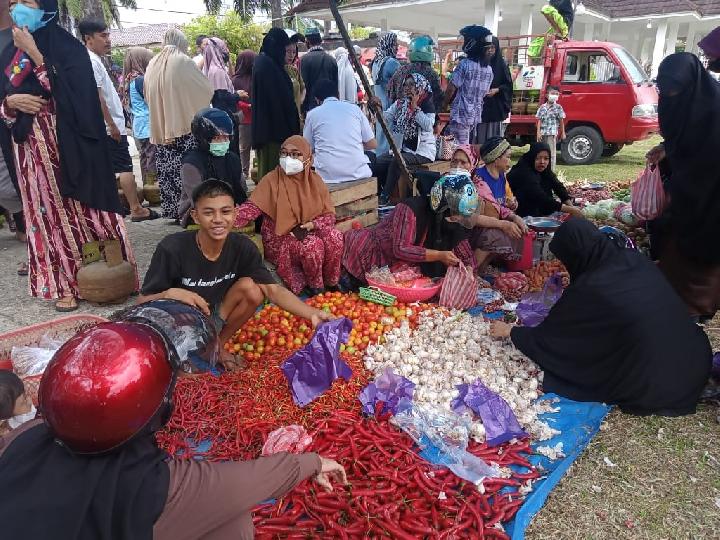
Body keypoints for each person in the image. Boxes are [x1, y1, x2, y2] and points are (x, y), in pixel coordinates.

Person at [0, 321, 348, 539]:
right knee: (232, 521)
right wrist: (312, 461)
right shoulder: (154, 486)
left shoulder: (21, 439)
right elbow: (242, 485)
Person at [490, 219, 711, 416]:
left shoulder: (591, 288)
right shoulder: (633, 259)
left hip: (653, 384)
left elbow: (554, 338)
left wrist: (512, 331)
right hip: (694, 363)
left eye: (567, 259)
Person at [0, 0, 136, 312]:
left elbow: (78, 95)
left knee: (83, 212)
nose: (19, 7)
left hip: (70, 148)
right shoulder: (8, 54)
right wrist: (12, 103)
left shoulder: (69, 48)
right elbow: (3, 104)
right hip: (32, 154)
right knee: (46, 217)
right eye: (15, 2)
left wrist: (35, 54)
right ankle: (62, 284)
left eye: (28, 2)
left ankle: (106, 277)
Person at [140, 179, 334, 370]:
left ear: (235, 214)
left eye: (225, 212)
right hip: (181, 323)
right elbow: (142, 301)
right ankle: (191, 353)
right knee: (175, 377)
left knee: (253, 289)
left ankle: (216, 346)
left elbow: (273, 290)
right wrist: (169, 294)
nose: (218, 219)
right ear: (195, 216)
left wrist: (313, 314)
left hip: (216, 316)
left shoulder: (243, 247)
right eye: (208, 212)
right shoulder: (172, 248)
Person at [653, 53, 720, 321]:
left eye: (675, 90)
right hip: (687, 188)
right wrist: (666, 149)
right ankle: (675, 302)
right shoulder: (676, 100)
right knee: (676, 243)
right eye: (664, 90)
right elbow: (678, 137)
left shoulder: (714, 108)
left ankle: (699, 310)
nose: (669, 96)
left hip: (712, 190)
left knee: (705, 248)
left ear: (690, 84)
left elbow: (708, 154)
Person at [235, 135, 344, 295]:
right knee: (312, 245)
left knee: (335, 237)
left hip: (308, 230)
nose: (288, 159)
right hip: (281, 238)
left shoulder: (315, 181)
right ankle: (316, 288)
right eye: (284, 153)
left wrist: (313, 224)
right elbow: (251, 209)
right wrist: (225, 217)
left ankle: (331, 282)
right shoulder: (271, 180)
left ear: (307, 158)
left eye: (295, 154)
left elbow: (329, 216)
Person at [79, 19, 157, 222]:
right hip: (109, 126)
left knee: (108, 168)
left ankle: (113, 208)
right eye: (103, 36)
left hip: (109, 125)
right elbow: (98, 97)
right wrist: (112, 125)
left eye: (108, 35)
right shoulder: (91, 61)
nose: (108, 40)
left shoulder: (93, 59)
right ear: (88, 39)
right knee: (124, 167)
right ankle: (136, 209)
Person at [343, 174, 479, 284]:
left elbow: (466, 255)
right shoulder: (410, 210)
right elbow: (401, 248)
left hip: (399, 270)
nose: (458, 219)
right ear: (444, 207)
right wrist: (439, 255)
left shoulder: (452, 223)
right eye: (457, 214)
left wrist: (468, 269)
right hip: (372, 253)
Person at [145, 28, 214, 220]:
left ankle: (173, 211)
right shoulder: (183, 61)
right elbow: (206, 89)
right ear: (181, 44)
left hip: (161, 126)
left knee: (168, 170)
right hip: (184, 126)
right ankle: (189, 211)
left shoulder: (153, 63)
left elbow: (146, 93)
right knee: (187, 170)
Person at [449, 145, 526, 270]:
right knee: (496, 232)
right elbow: (467, 217)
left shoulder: (478, 183)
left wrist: (513, 217)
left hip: (470, 231)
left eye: (463, 162)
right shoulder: (447, 184)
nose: (458, 166)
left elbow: (497, 205)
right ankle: (469, 270)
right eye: (454, 161)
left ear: (472, 164)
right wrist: (502, 224)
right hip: (451, 234)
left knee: (503, 231)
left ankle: (478, 268)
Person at [179, 108, 247, 226]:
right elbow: (197, 198)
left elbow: (242, 188)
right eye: (217, 138)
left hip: (231, 207)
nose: (223, 142)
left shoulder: (232, 159)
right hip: (200, 211)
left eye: (226, 138)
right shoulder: (192, 163)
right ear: (203, 139)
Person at [375, 73, 436, 205]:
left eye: (411, 84)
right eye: (405, 85)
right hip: (403, 149)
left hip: (422, 152)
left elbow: (428, 126)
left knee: (398, 161)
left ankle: (384, 197)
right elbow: (385, 118)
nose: (407, 88)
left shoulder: (427, 105)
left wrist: (415, 108)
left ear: (419, 86)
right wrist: (377, 108)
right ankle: (378, 194)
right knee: (378, 162)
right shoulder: (400, 104)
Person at [303, 79, 376, 184]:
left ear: (317, 99)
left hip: (326, 176)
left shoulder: (312, 114)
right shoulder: (354, 109)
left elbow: (307, 148)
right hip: (358, 173)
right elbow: (372, 144)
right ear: (338, 93)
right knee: (371, 156)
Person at [252, 28, 300, 180]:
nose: (285, 53)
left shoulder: (264, 62)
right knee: (275, 177)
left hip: (265, 131)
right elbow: (281, 102)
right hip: (275, 134)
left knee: (269, 175)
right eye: (283, 49)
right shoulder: (269, 68)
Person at [442, 25, 495, 146]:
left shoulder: (464, 65)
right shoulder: (489, 70)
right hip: (475, 115)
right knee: (464, 145)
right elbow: (485, 92)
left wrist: (444, 104)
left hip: (461, 114)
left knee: (457, 148)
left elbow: (451, 88)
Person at [507, 142, 582, 218]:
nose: (542, 162)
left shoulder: (544, 170)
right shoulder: (524, 171)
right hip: (520, 210)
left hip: (539, 206)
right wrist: (571, 210)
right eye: (538, 158)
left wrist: (571, 206)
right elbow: (540, 197)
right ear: (532, 157)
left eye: (546, 158)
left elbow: (558, 186)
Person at [122, 47, 157, 187]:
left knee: (144, 157)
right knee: (152, 158)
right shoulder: (141, 80)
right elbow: (153, 102)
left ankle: (148, 188)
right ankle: (154, 189)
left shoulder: (130, 79)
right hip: (148, 125)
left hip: (139, 125)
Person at [388, 35, 444, 111]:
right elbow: (438, 99)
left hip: (401, 118)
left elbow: (391, 95)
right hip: (423, 119)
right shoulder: (431, 73)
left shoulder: (400, 71)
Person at [473, 36, 513, 144]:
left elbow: (508, 85)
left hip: (495, 108)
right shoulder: (478, 64)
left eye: (492, 47)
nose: (490, 50)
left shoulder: (502, 65)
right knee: (479, 139)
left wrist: (497, 90)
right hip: (480, 108)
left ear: (497, 48)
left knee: (493, 140)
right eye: (487, 47)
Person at [371, 32, 401, 157]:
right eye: (395, 44)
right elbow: (403, 81)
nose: (397, 47)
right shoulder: (391, 63)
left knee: (381, 136)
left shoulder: (376, 63)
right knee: (392, 140)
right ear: (389, 45)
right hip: (391, 106)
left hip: (380, 105)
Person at [300, 27, 338, 115]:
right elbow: (336, 85)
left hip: (312, 107)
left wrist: (303, 108)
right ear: (320, 41)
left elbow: (304, 85)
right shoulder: (331, 59)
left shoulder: (304, 60)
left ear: (307, 42)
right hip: (330, 106)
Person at [231, 49, 255, 179]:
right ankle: (244, 172)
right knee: (244, 147)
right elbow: (233, 100)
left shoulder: (256, 76)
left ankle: (256, 169)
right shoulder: (235, 80)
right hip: (244, 118)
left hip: (257, 117)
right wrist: (248, 106)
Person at [476, 137, 517, 210]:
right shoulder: (478, 178)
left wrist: (511, 204)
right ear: (496, 159)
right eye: (508, 157)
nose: (510, 161)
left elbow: (507, 200)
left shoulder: (502, 177)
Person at [535, 86, 565, 171]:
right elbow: (539, 120)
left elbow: (561, 120)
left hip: (551, 134)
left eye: (556, 94)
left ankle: (551, 171)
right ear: (547, 95)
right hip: (542, 133)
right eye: (553, 93)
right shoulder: (542, 107)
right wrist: (538, 132)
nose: (555, 95)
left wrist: (563, 133)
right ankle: (541, 170)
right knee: (540, 152)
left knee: (551, 153)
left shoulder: (558, 107)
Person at [285, 30, 306, 121]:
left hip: (296, 118)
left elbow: (303, 88)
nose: (291, 55)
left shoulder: (294, 71)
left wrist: (299, 101)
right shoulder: (275, 71)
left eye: (294, 52)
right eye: (288, 51)